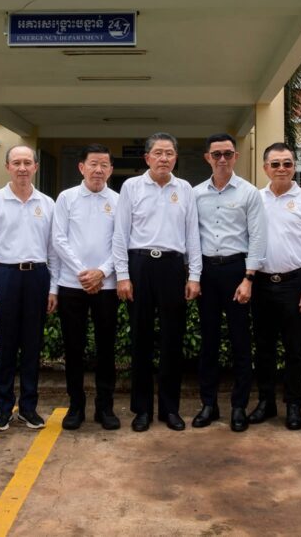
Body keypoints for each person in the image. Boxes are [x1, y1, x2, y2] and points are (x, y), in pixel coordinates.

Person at [113, 132, 202, 432]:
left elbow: (193, 235)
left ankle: (169, 409)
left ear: (176, 157)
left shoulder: (185, 189)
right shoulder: (131, 187)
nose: (164, 158)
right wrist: (123, 275)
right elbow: (120, 234)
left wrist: (194, 275)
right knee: (141, 340)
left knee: (171, 340)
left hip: (173, 267)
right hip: (140, 266)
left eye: (169, 153)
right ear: (147, 157)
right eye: (158, 153)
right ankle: (142, 410)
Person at [0, 145, 59, 432]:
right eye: (17, 163)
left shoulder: (47, 203)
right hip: (6, 276)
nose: (22, 168)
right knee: (7, 345)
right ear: (8, 167)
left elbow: (53, 250)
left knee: (32, 345)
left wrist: (53, 288)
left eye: (27, 162)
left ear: (35, 167)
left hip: (37, 276)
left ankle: (28, 408)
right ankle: (4, 409)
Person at [192, 133, 266, 432]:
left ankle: (239, 407)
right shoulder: (195, 194)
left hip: (237, 270)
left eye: (227, 154)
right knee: (208, 342)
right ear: (207, 158)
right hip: (207, 272)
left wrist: (248, 278)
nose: (222, 159)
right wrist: (193, 276)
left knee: (240, 342)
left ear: (236, 156)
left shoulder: (249, 193)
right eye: (216, 154)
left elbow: (258, 237)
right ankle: (208, 405)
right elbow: (191, 237)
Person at [248, 142, 301, 431]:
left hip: (295, 284)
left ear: (295, 167)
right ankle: (266, 403)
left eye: (287, 163)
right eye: (276, 164)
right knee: (264, 348)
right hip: (262, 284)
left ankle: (294, 406)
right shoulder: (255, 199)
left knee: (294, 349)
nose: (282, 168)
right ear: (265, 168)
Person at [52, 144, 121, 431]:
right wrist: (83, 272)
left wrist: (101, 272)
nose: (98, 170)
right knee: (73, 347)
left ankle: (105, 407)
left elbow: (121, 241)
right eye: (93, 164)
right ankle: (76, 405)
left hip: (107, 285)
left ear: (111, 170)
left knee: (106, 347)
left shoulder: (118, 201)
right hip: (72, 284)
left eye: (104, 165)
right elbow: (59, 239)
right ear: (81, 167)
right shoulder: (66, 198)